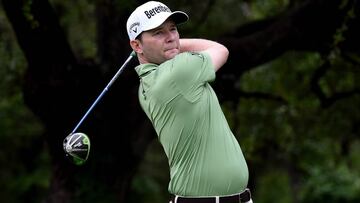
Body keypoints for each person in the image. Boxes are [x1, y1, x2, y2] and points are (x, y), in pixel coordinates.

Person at [126, 1, 252, 203]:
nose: (171, 37)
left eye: (173, 29)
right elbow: (220, 50)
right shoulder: (177, 73)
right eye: (158, 33)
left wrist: (167, 45)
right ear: (136, 45)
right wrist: (176, 45)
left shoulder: (145, 86)